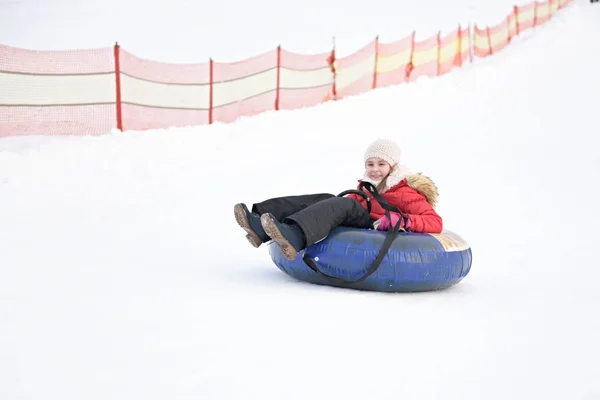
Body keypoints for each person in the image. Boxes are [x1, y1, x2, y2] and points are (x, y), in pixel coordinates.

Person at [234, 138, 443, 260]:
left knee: (344, 204)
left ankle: (294, 236)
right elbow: (342, 204)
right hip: (362, 219)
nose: (375, 169)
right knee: (326, 198)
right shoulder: (366, 186)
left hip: (375, 227)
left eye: (381, 164)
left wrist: (404, 221)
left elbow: (435, 221)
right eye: (370, 164)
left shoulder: (405, 191)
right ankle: (259, 223)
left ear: (393, 166)